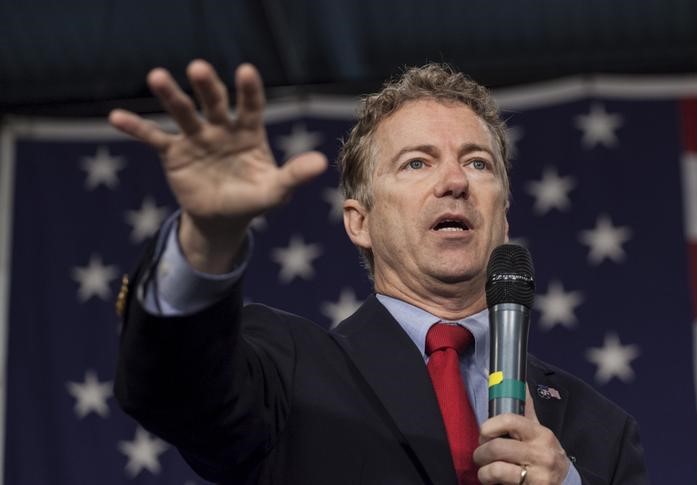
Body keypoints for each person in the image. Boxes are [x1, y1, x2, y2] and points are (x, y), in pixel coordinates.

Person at [110, 60, 648, 485]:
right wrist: (209, 237)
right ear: (359, 221)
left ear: (504, 217)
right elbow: (174, 391)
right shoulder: (288, 374)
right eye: (417, 162)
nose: (455, 181)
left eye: (478, 162)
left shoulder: (599, 428)